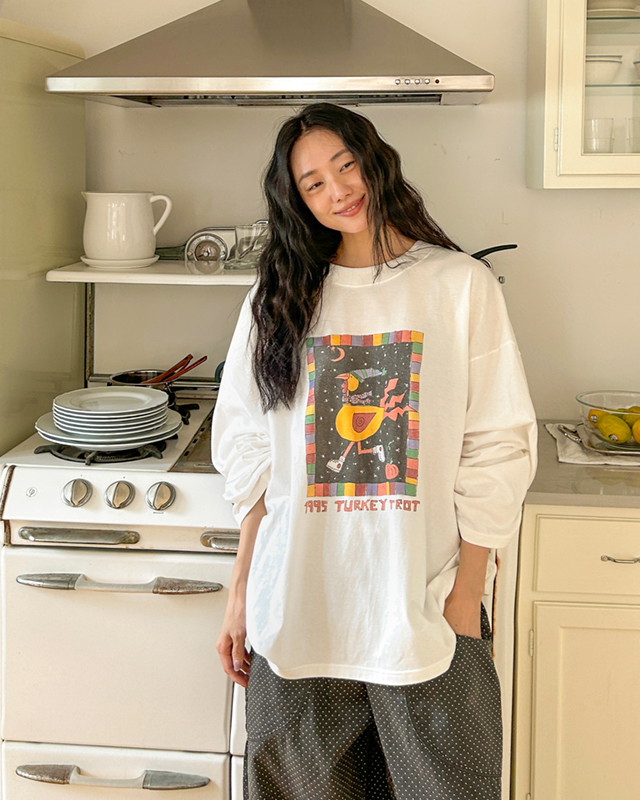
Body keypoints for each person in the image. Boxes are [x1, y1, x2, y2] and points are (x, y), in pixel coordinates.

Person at [212, 102, 537, 800]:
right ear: (297, 201)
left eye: (346, 166)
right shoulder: (277, 298)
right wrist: (241, 594)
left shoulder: (459, 285)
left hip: (425, 611)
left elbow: (498, 444)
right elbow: (250, 452)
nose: (338, 191)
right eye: (314, 184)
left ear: (375, 161)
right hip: (298, 611)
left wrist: (467, 595)